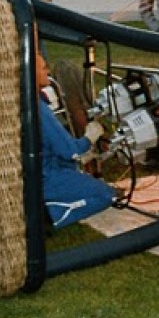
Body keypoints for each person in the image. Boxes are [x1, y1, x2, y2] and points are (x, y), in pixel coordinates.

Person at [35, 52, 116, 228]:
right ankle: (49, 216)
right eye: (43, 68)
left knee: (77, 173)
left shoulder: (29, 103)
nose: (48, 71)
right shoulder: (40, 109)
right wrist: (89, 137)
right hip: (46, 178)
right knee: (106, 195)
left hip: (40, 171)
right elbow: (69, 150)